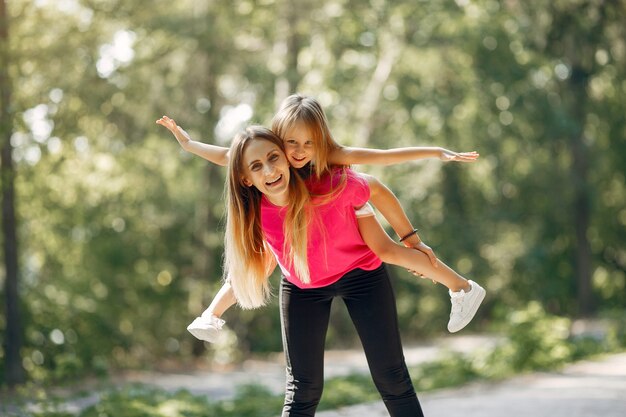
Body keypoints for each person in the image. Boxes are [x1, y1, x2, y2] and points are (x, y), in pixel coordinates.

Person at [158, 94, 485, 335]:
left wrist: (435, 152)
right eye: (291, 143)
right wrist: (186, 143)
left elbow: (383, 158)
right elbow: (227, 155)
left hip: (350, 205)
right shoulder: (269, 155)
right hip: (306, 216)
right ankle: (211, 315)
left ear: (321, 141)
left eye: (309, 144)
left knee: (385, 251)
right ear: (277, 138)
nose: (299, 152)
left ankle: (460, 286)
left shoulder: (332, 155)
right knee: (265, 256)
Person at [201, 125, 425, 416]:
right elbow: (251, 269)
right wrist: (212, 313)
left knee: (392, 378)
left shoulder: (329, 182)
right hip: (302, 286)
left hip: (361, 274)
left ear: (287, 157)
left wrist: (414, 243)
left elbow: (376, 184)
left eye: (274, 158)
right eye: (257, 166)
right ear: (246, 178)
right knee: (302, 390)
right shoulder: (257, 210)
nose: (269, 171)